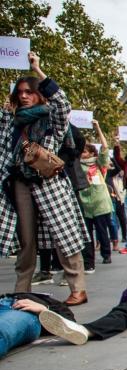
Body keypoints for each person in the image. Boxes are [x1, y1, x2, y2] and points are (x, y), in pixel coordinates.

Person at [0, 52, 88, 305]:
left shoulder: (53, 118)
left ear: (39, 94)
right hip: (20, 183)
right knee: (26, 240)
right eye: (20, 92)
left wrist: (38, 69)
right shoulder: (10, 121)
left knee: (64, 235)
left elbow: (63, 102)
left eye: (29, 91)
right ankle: (22, 289)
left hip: (49, 184)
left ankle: (78, 288)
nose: (24, 96)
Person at [77, 121, 114, 267]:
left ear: (92, 153)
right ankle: (88, 260)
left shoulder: (98, 163)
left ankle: (106, 254)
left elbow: (105, 148)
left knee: (101, 231)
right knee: (87, 235)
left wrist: (98, 127)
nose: (82, 154)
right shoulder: (77, 164)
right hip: (85, 203)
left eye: (85, 151)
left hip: (100, 203)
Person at [0, 293, 74, 359]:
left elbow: (71, 323)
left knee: (2, 329)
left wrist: (44, 310)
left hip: (20, 309)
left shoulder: (51, 303)